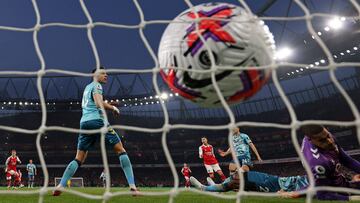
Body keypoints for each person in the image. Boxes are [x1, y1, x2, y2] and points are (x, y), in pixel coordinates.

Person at [53, 67, 138, 196]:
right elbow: (98, 104)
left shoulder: (87, 88)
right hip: (98, 121)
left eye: (106, 73)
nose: (106, 75)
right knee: (121, 150)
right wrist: (113, 108)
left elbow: (95, 102)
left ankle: (61, 185)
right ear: (94, 75)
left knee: (79, 158)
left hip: (84, 123)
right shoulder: (97, 85)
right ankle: (132, 186)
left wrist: (107, 103)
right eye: (103, 73)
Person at [301, 125, 360, 201]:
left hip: (338, 179)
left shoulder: (325, 136)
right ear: (311, 140)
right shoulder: (318, 163)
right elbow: (322, 195)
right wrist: (351, 198)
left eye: (328, 135)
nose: (330, 141)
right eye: (322, 140)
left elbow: (348, 161)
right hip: (330, 186)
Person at [190, 169, 309, 196]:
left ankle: (205, 188)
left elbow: (307, 190)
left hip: (275, 186)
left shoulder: (320, 184)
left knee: (236, 181)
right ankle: (214, 187)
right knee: (237, 177)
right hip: (275, 180)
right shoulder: (318, 175)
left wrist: (291, 192)